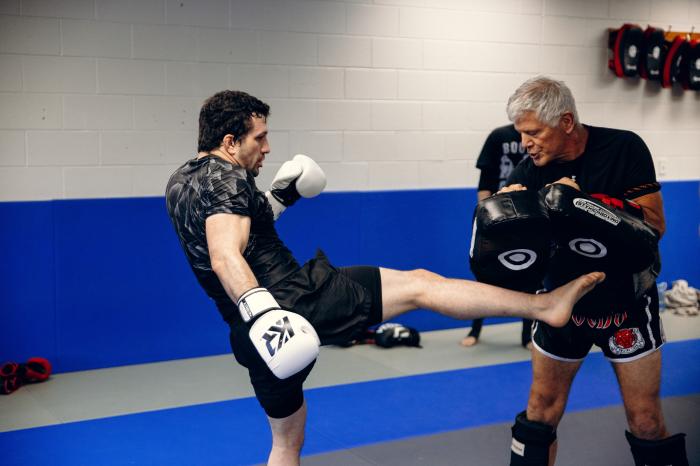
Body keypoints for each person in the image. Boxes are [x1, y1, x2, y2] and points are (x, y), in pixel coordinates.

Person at [165, 90, 604, 466]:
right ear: (229, 142)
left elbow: (238, 230)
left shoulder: (183, 180)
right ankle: (543, 305)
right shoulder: (228, 178)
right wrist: (268, 316)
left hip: (248, 332)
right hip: (292, 303)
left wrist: (281, 196)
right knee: (421, 285)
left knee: (285, 443)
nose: (267, 147)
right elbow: (225, 254)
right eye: (259, 138)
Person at [499, 77, 688, 466]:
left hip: (626, 303)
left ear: (566, 122)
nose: (525, 143)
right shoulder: (528, 172)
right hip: (561, 306)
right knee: (539, 412)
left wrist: (584, 204)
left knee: (646, 420)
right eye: (521, 134)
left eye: (534, 132)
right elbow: (515, 254)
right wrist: (507, 217)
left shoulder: (623, 148)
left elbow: (654, 226)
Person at [461, 124, 533, 349]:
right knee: (485, 276)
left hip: (528, 216)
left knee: (531, 275)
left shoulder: (540, 137)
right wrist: (485, 218)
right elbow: (486, 182)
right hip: (498, 216)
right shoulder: (499, 136)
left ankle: (527, 336)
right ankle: (475, 330)